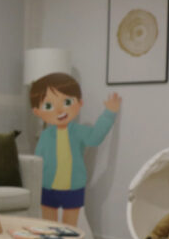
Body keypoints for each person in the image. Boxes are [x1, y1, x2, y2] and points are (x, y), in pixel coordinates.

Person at [30, 72, 121, 226]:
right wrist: (35, 186)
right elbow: (38, 161)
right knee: (48, 224)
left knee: (71, 225)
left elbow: (95, 138)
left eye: (67, 102)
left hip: (73, 187)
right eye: (48, 106)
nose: (59, 110)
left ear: (79, 103)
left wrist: (109, 114)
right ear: (37, 112)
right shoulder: (45, 135)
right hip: (47, 187)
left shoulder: (79, 131)